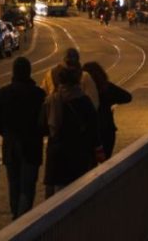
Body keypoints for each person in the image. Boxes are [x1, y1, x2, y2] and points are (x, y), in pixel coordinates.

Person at [0, 57, 45, 218]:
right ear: (29, 72)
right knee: (27, 185)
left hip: (10, 144)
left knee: (13, 183)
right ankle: (23, 218)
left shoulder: (3, 93)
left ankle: (16, 215)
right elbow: (44, 121)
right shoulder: (38, 94)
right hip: (31, 144)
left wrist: (4, 132)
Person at [42, 65, 100, 197]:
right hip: (78, 152)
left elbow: (42, 126)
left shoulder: (51, 100)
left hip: (56, 153)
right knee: (78, 191)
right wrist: (97, 148)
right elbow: (93, 126)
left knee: (57, 193)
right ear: (76, 82)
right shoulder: (84, 100)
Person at [81, 62, 132, 160]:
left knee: (90, 162)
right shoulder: (106, 87)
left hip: (88, 131)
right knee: (105, 162)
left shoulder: (82, 91)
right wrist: (111, 103)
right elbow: (127, 97)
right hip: (106, 129)